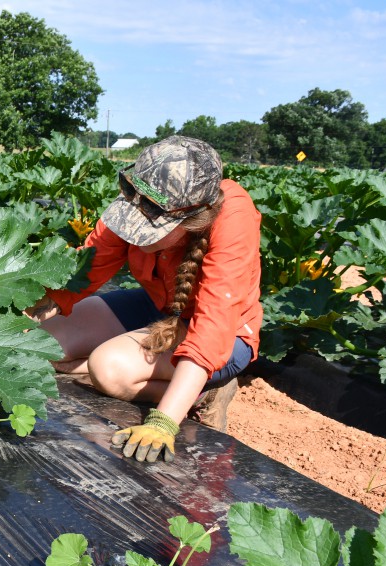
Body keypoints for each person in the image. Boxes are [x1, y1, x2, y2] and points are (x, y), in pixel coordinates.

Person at [36, 136, 262, 464]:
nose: (134, 231)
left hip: (224, 336)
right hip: (158, 306)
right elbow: (86, 268)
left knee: (109, 368)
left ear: (191, 221)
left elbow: (213, 324)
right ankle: (97, 364)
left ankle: (203, 392)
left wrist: (164, 421)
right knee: (44, 342)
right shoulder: (142, 198)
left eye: (150, 228)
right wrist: (11, 323)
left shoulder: (232, 218)